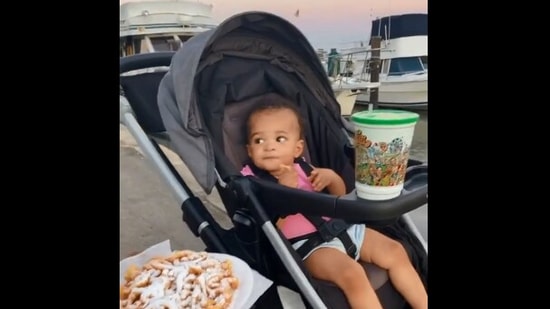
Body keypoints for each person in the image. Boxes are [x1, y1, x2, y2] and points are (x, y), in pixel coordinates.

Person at [240, 97, 427, 309]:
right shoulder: (251, 181)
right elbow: (269, 229)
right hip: (311, 246)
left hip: (346, 228)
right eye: (258, 141)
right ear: (249, 150)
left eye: (280, 139)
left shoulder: (305, 168)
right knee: (353, 275)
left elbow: (339, 197)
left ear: (298, 148)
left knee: (395, 250)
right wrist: (285, 192)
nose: (269, 147)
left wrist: (332, 178)